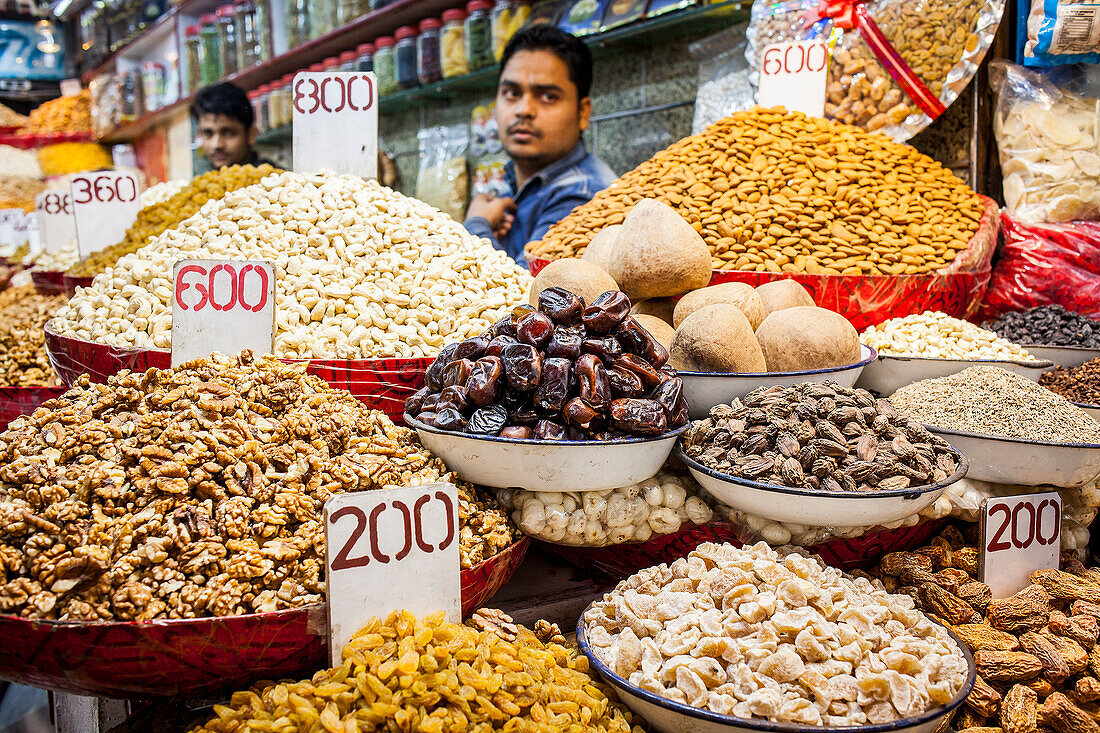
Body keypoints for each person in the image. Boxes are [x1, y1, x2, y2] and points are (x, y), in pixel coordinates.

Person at [464, 26, 615, 264]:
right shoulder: (515, 181)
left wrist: (475, 225)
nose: (524, 110)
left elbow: (518, 293)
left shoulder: (583, 195)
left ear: (583, 112)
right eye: (512, 92)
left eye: (548, 97)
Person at [190, 82, 277, 169]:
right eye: (208, 134)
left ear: (251, 134)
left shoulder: (275, 179)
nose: (217, 145)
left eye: (228, 133)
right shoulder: (205, 181)